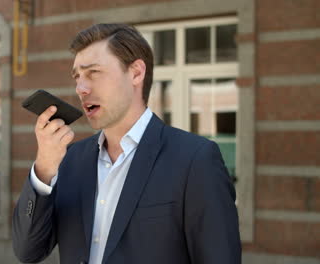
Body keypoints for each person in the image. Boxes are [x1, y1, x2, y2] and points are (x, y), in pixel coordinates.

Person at [12, 23, 241, 264]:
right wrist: (45, 170)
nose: (81, 88)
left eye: (93, 73)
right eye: (77, 77)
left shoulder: (195, 160)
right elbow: (28, 251)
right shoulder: (70, 160)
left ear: (136, 73)